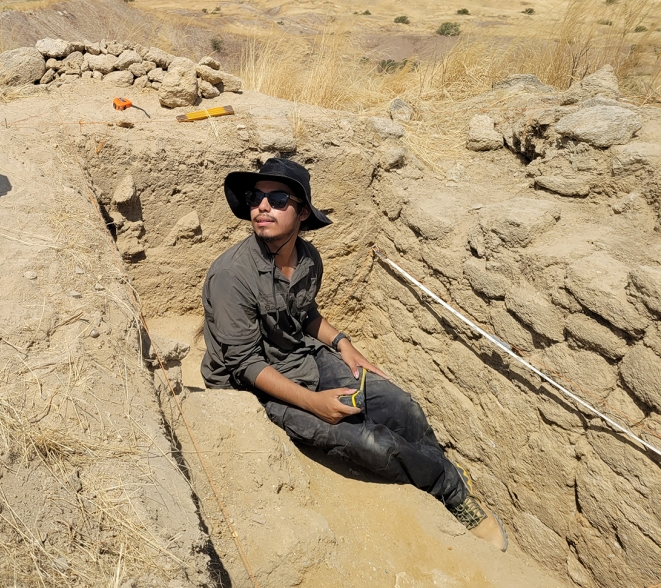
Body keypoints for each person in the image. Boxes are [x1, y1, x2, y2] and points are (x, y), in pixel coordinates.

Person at [201, 157, 508, 550]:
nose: (262, 207)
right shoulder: (232, 274)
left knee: (400, 405)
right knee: (371, 444)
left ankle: (438, 468)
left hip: (301, 356)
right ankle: (452, 492)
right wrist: (313, 403)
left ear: (303, 211)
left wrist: (345, 345)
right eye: (256, 198)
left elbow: (305, 313)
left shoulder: (309, 259)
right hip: (256, 386)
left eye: (278, 199)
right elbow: (245, 365)